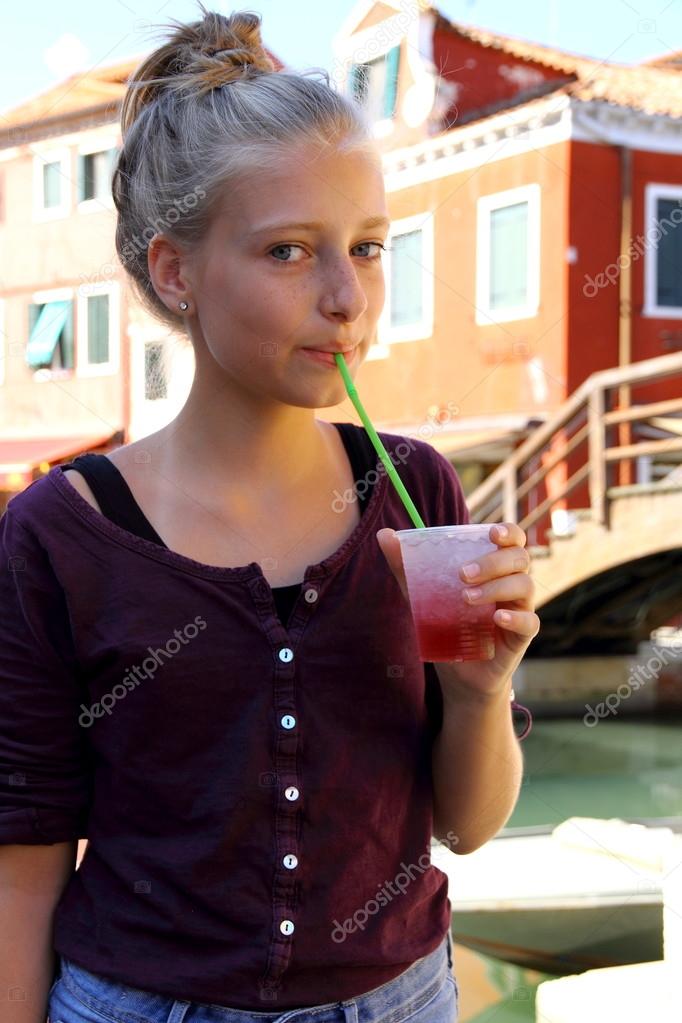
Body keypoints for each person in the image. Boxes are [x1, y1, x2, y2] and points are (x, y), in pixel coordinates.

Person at [0, 5, 538, 1022]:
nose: (348, 297)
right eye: (291, 252)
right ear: (174, 271)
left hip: (402, 998)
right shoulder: (59, 535)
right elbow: (21, 859)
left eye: (369, 248)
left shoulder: (415, 491)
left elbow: (467, 828)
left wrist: (477, 695)